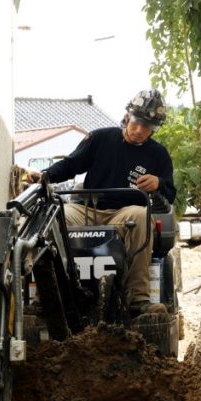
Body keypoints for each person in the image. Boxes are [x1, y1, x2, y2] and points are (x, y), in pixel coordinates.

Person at [33, 89, 175, 316]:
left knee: (141, 216)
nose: (139, 130)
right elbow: (71, 165)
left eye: (147, 127)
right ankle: (47, 296)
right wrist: (46, 175)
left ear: (154, 129)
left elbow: (170, 194)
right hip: (86, 209)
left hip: (124, 214)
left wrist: (158, 182)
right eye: (137, 122)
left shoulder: (158, 155)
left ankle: (138, 299)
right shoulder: (100, 138)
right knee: (54, 217)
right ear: (128, 116)